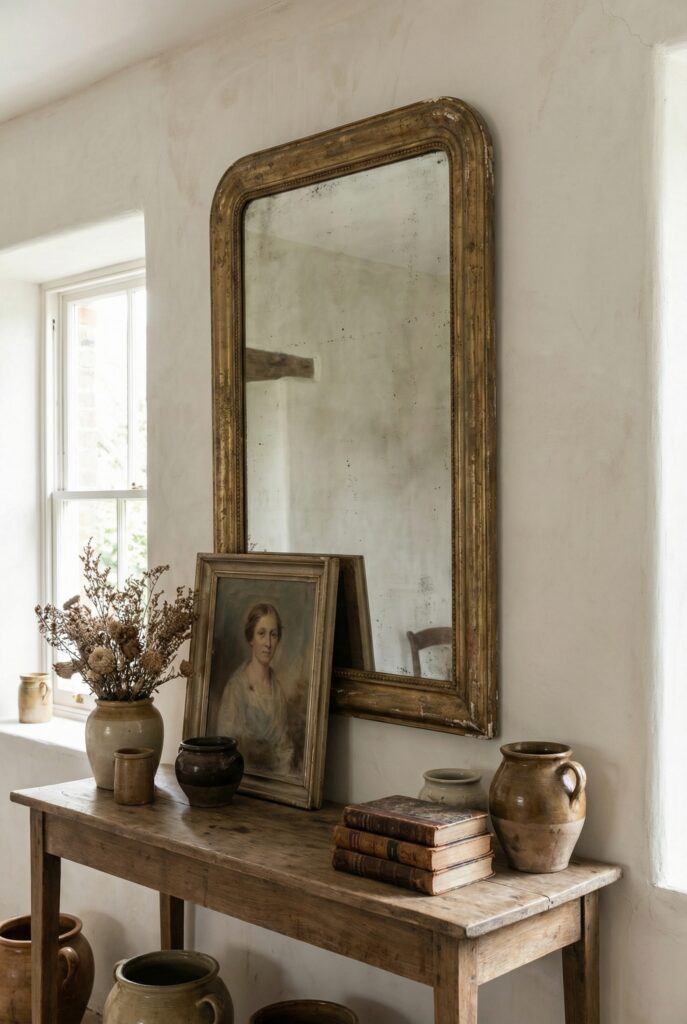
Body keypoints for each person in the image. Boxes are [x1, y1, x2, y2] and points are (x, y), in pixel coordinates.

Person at [217, 602, 293, 776]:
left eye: (273, 635)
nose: (268, 643)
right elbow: (225, 746)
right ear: (251, 638)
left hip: (274, 780)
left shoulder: (278, 693)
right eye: (261, 634)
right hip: (239, 777)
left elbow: (285, 749)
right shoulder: (236, 688)